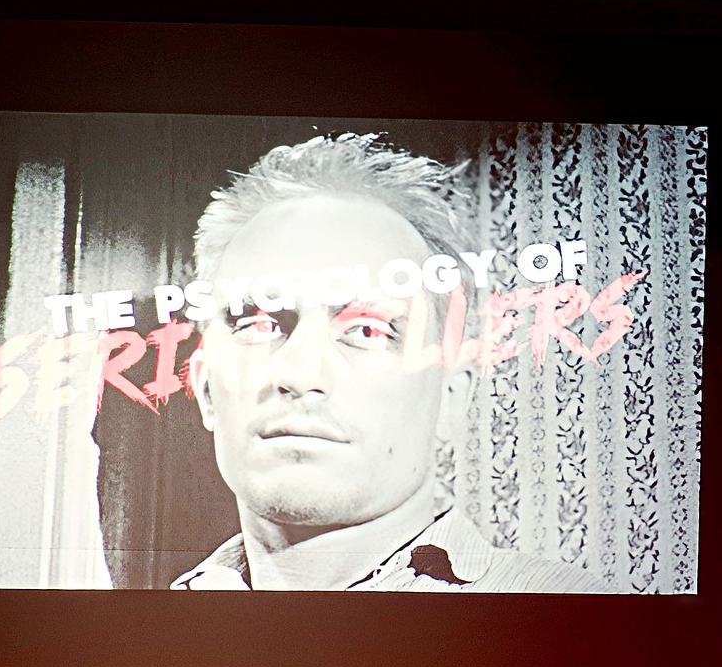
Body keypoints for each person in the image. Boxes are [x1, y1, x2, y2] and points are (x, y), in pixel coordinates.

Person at [170, 133, 613, 592]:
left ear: (449, 399)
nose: (299, 374)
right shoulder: (149, 628)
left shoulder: (577, 622)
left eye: (367, 330)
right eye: (258, 324)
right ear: (205, 389)